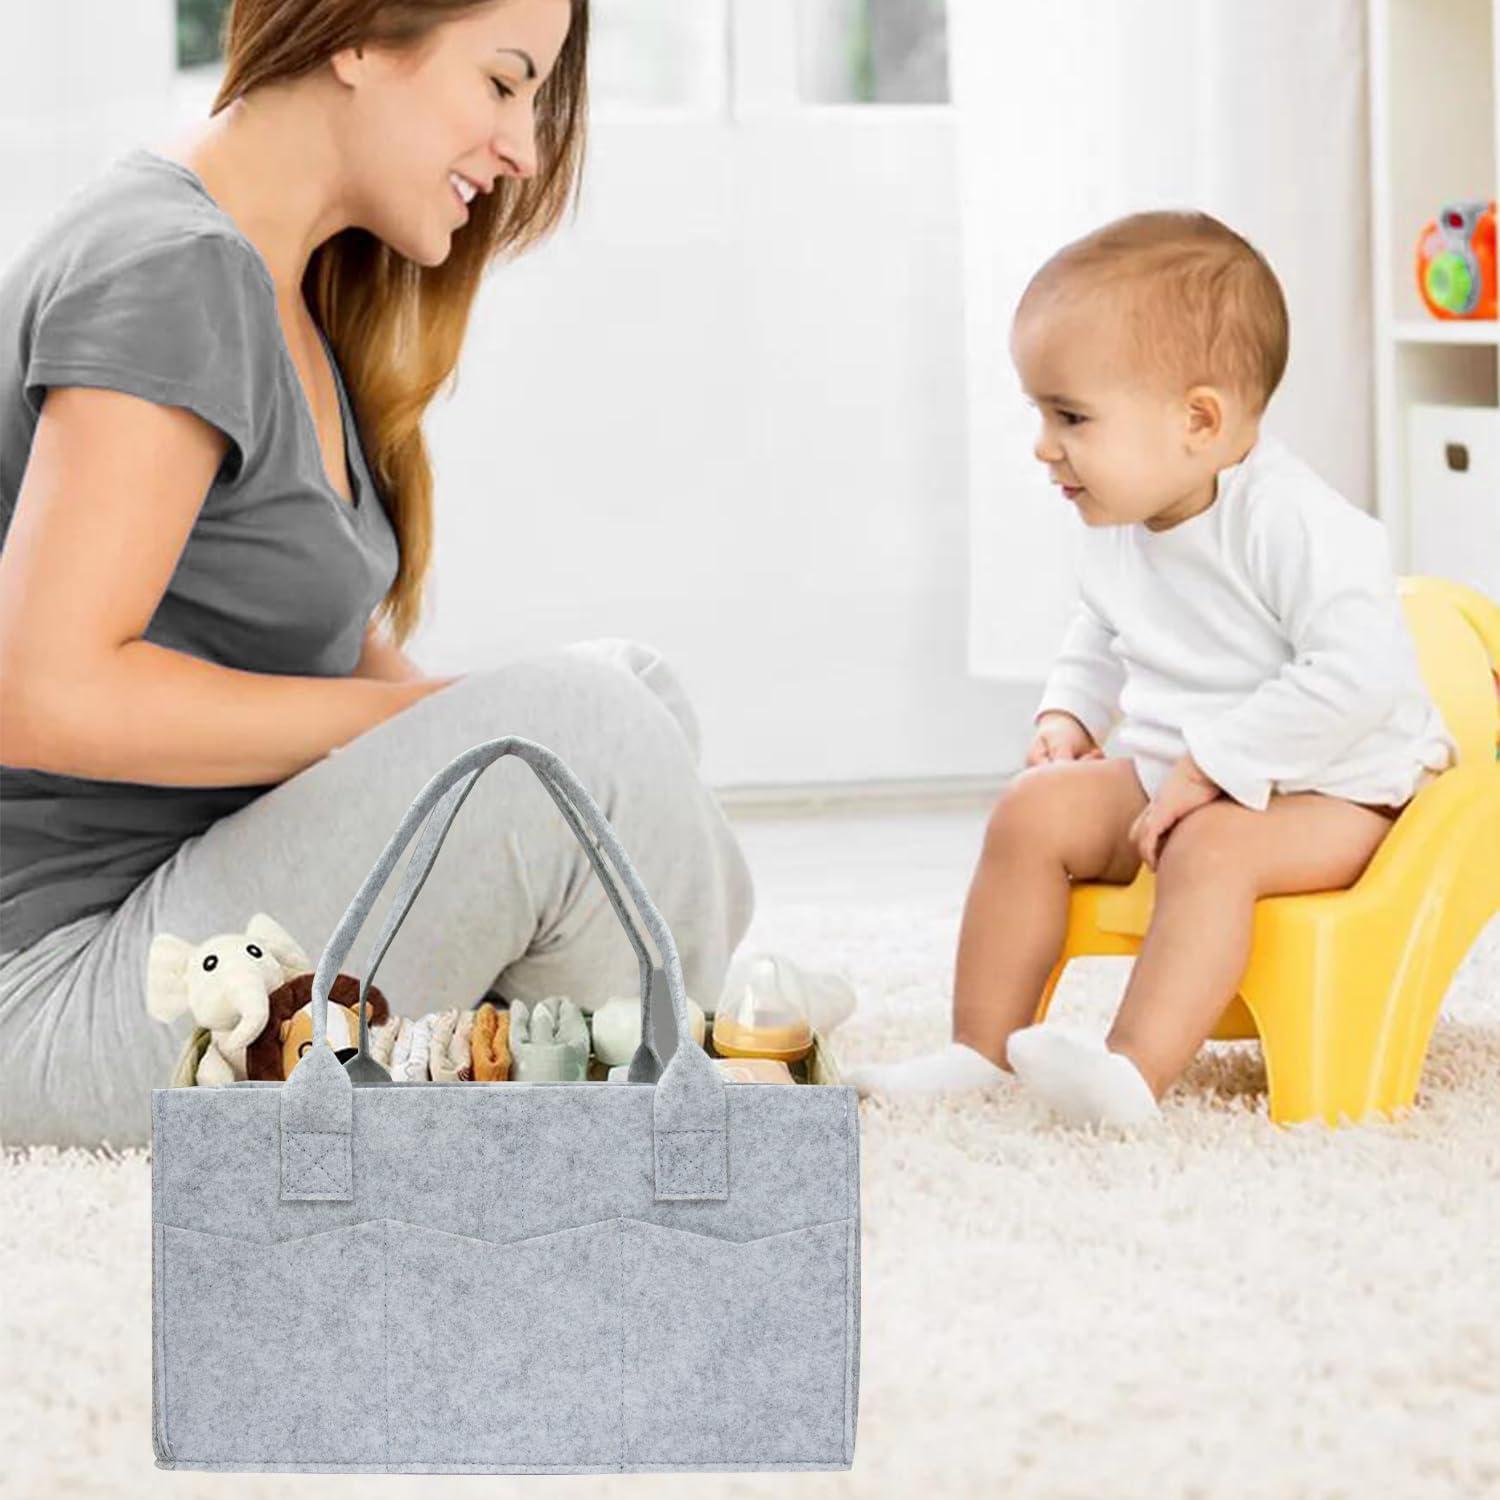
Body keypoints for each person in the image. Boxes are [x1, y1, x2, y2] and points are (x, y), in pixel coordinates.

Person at [0, 0, 754, 1150]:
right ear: (356, 37)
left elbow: (329, 654)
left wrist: (439, 719)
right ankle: (654, 1076)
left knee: (625, 693)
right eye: (504, 84)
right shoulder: (172, 270)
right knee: (579, 731)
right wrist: (433, 721)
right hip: (67, 984)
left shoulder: (279, 286)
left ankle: (600, 1060)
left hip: (191, 906)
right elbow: (44, 695)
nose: (526, 150)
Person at [845, 210, 1455, 1125]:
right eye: (1041, 413)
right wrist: (1071, 717)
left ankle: (1132, 1073)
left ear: (1198, 421)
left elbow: (1358, 680)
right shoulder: (1124, 518)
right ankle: (981, 1046)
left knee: (1209, 845)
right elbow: (1101, 629)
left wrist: (1214, 766)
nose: (1045, 445)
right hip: (1186, 771)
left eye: (1072, 416)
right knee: (1032, 811)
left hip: (1335, 791)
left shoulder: (1296, 526)